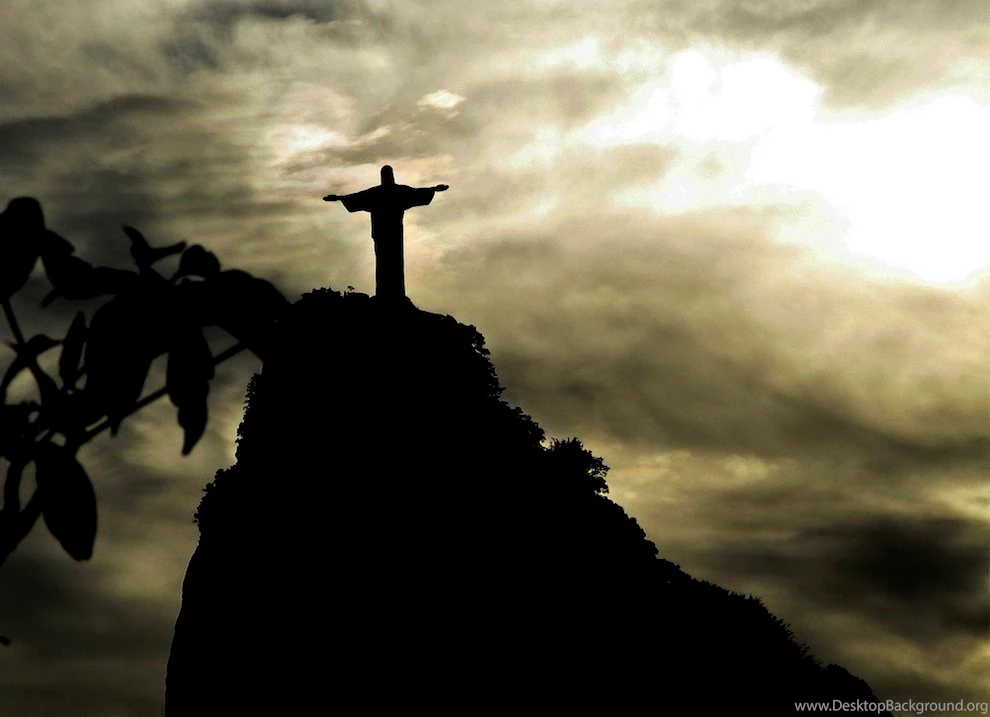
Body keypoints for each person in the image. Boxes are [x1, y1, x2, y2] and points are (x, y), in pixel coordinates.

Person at [324, 165, 448, 300]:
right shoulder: (384, 192)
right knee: (385, 261)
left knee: (393, 261)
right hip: (384, 233)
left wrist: (434, 189)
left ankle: (395, 295)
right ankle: (385, 295)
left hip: (391, 232)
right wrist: (338, 198)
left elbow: (417, 192)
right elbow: (358, 197)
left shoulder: (391, 192)